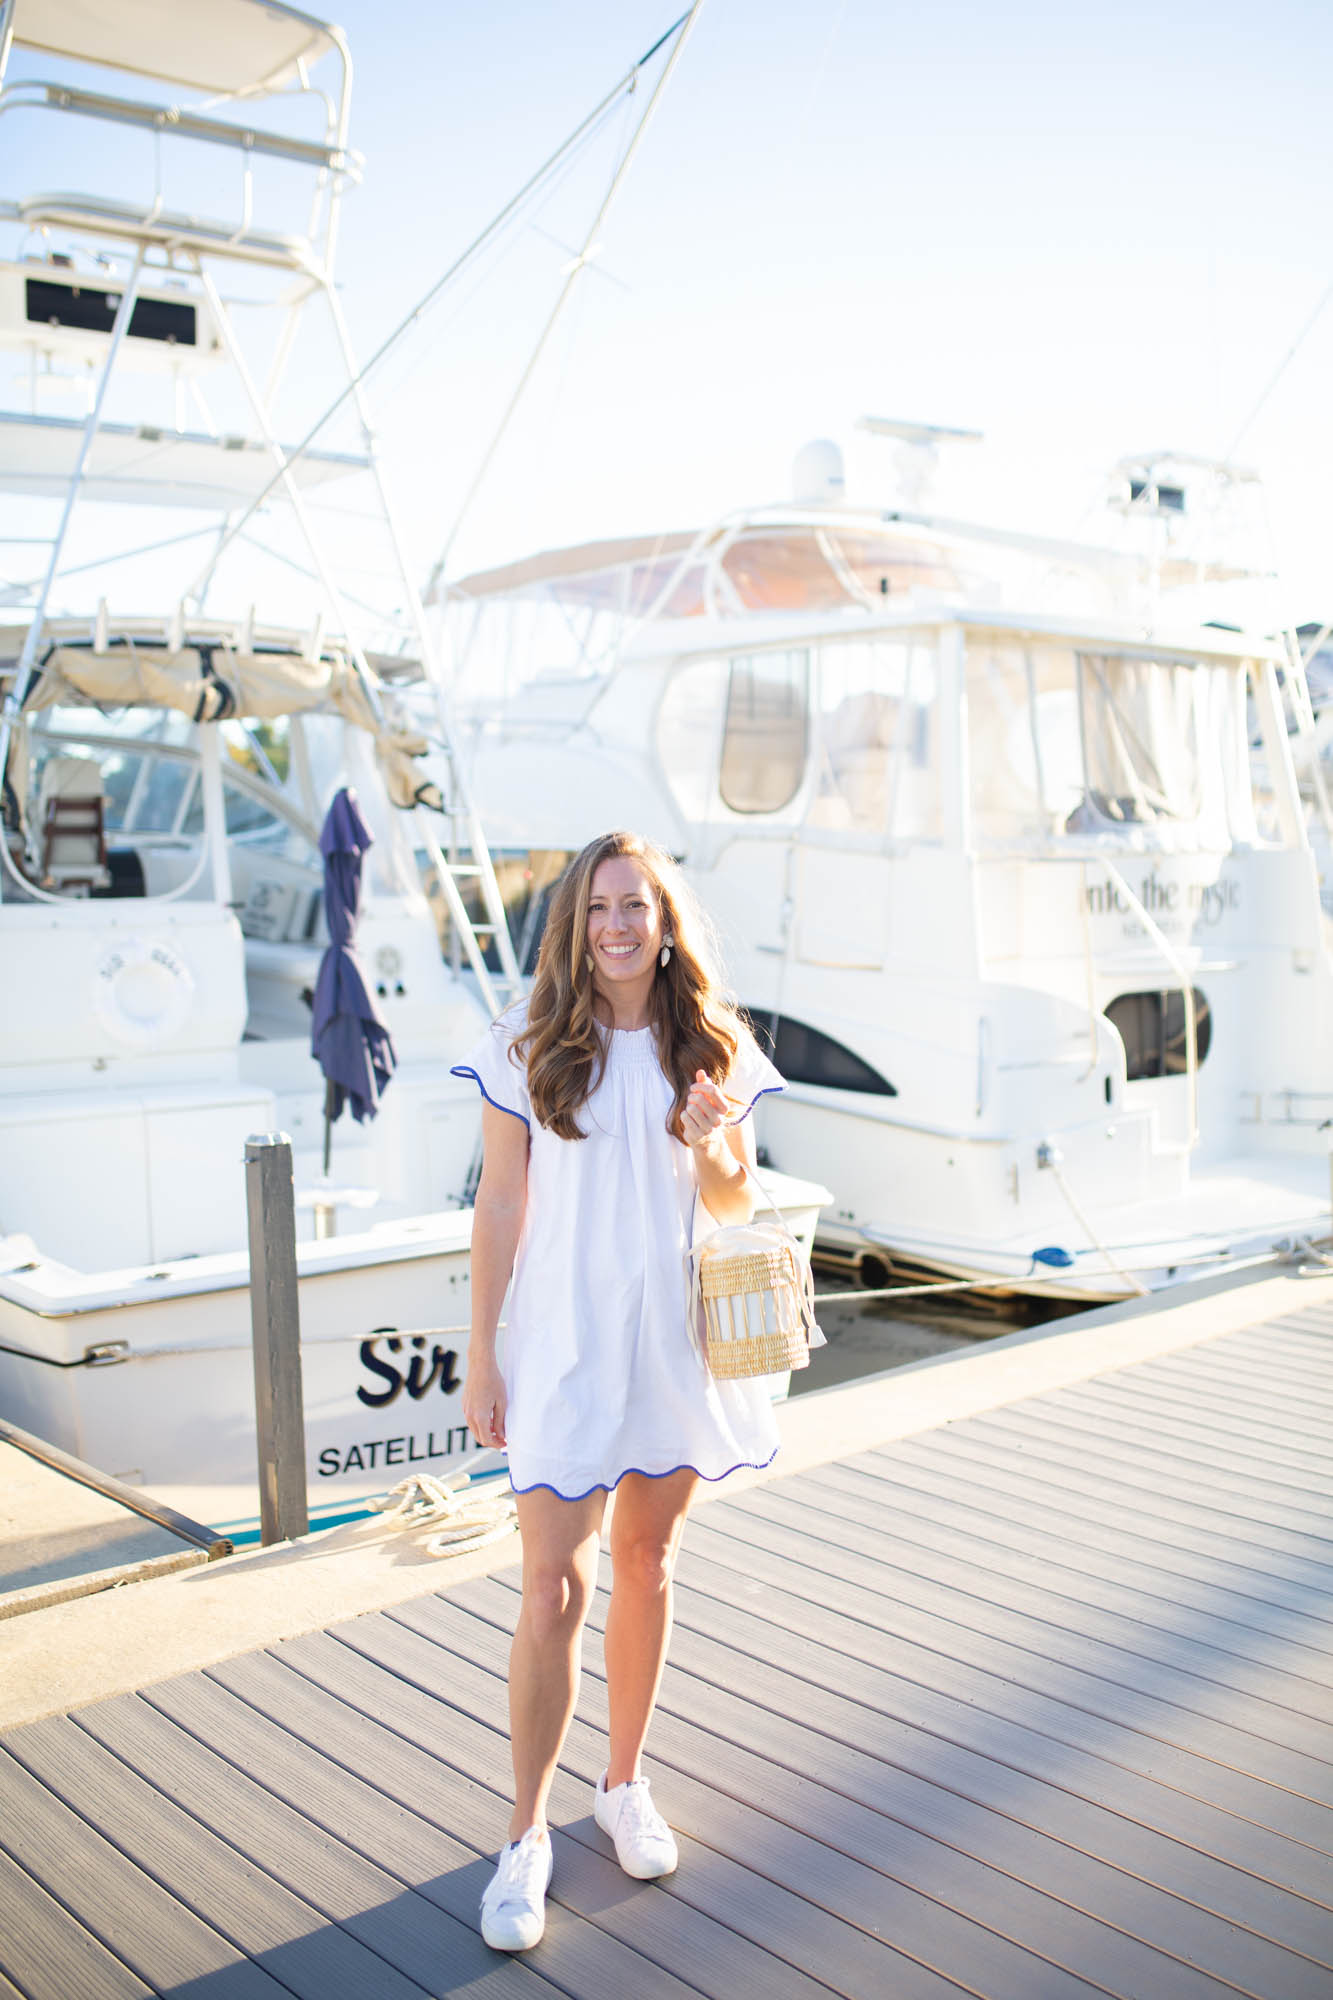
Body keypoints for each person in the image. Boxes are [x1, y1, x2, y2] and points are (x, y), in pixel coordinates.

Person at [451, 828, 785, 1953]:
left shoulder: (714, 1042)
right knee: (551, 1585)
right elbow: (499, 1204)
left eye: (635, 904)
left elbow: (735, 1204)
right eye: (597, 907)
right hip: (557, 1345)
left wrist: (707, 1140)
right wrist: (481, 1350)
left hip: (670, 1343)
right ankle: (525, 1835)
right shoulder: (529, 1037)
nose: (616, 926)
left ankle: (624, 1781)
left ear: (665, 917)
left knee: (646, 1559)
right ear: (573, 922)